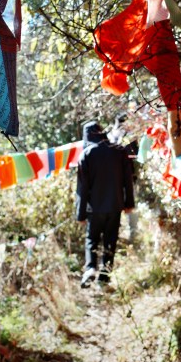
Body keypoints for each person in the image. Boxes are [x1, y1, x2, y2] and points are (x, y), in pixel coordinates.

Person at [76, 121, 135, 288]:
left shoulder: (86, 155)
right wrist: (129, 203)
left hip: (94, 208)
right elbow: (127, 181)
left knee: (91, 240)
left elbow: (82, 189)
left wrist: (80, 215)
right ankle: (104, 277)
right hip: (115, 206)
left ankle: (90, 269)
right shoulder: (119, 151)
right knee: (110, 241)